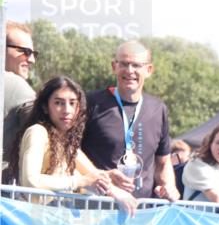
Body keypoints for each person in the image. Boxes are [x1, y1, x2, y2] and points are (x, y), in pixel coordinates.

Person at [11, 76, 136, 215]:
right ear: (45, 107)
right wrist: (80, 181)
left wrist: (107, 176)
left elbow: (89, 175)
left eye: (72, 103)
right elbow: (31, 181)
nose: (67, 110)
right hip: (33, 220)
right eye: (58, 103)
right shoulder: (37, 132)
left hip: (56, 220)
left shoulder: (66, 143)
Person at [81, 41, 179, 200]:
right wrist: (102, 177)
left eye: (136, 65)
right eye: (124, 64)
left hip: (142, 210)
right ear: (114, 66)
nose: (130, 70)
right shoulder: (91, 103)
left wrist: (169, 186)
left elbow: (163, 162)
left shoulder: (158, 109)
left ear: (149, 70)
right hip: (96, 206)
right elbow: (71, 152)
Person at [4, 21, 37, 176]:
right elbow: (51, 137)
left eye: (33, 53)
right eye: (25, 51)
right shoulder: (16, 85)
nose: (31, 60)